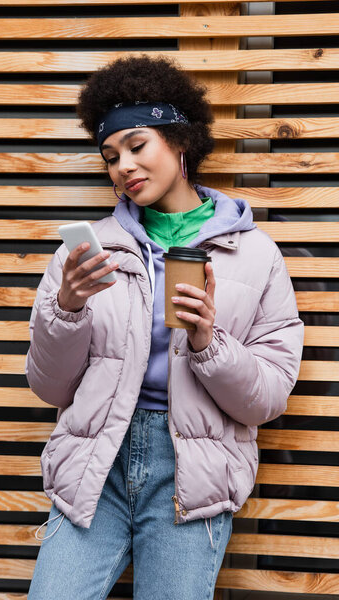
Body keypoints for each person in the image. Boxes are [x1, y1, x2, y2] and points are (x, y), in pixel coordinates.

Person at [26, 54, 304, 599]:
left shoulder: (255, 254)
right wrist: (68, 310)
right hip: (93, 466)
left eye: (137, 145)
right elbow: (49, 387)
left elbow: (267, 398)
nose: (123, 166)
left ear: (180, 142)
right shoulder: (85, 253)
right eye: (110, 157)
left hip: (192, 475)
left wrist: (208, 342)